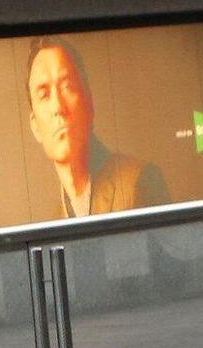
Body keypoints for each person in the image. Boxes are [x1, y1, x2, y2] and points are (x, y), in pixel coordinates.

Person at [25, 36, 169, 219]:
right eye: (44, 95)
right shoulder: (54, 221)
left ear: (89, 102)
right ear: (35, 127)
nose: (58, 107)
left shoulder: (139, 182)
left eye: (67, 86)